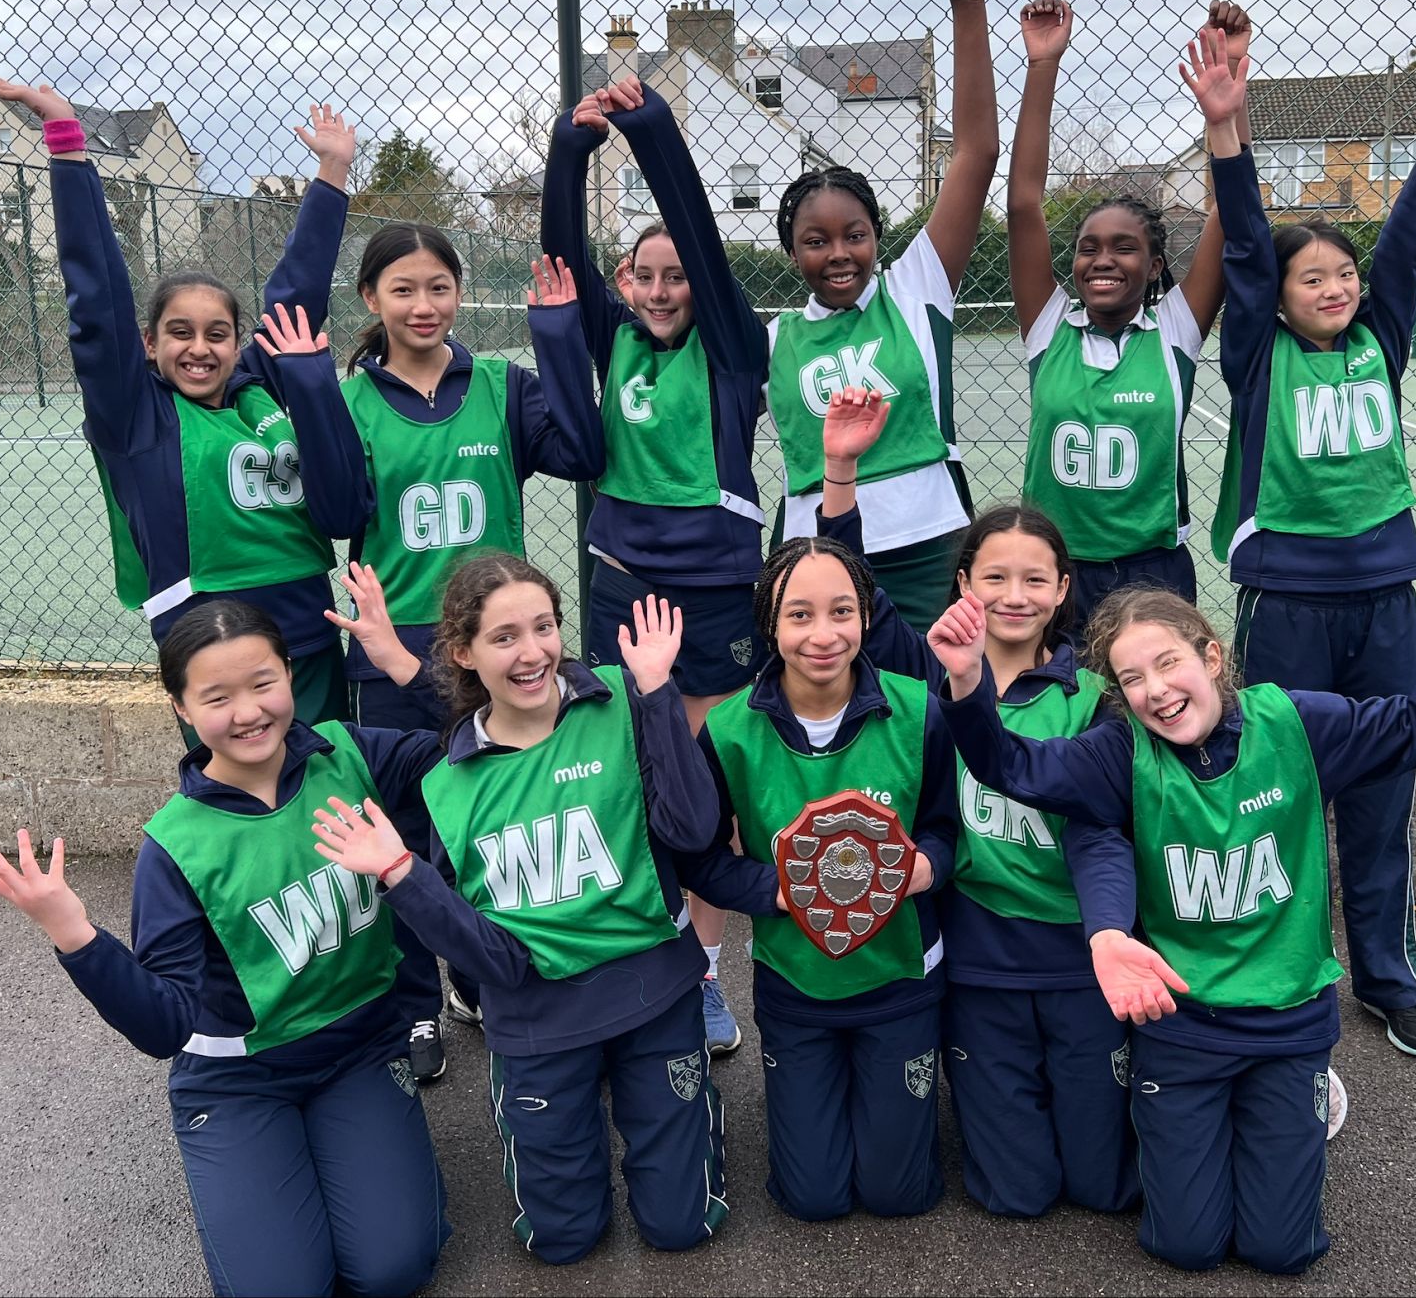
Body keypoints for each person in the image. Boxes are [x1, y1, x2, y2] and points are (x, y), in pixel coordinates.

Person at [928, 579, 1416, 1272]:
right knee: (1186, 1244)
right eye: (1132, 678)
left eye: (1169, 662)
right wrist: (965, 683)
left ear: (1212, 657)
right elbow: (1010, 765)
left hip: (1286, 1022)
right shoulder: (1121, 752)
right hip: (1186, 1028)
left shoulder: (1292, 723)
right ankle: (1223, 1125)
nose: (1157, 690)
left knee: (1281, 1249)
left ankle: (1302, 1100)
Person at [0, 600, 515, 1298]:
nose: (248, 711)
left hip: (361, 1051)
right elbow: (165, 1026)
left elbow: (480, 734)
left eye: (263, 682)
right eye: (216, 696)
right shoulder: (176, 845)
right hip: (239, 1084)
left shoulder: (352, 755)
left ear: (290, 673)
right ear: (181, 708)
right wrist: (74, 933)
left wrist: (402, 665)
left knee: (393, 1269)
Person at [1185, 11, 1416, 1057]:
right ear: (1279, 302)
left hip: (1382, 599)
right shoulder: (1256, 352)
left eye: (1342, 273)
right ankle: (1282, 966)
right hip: (1285, 604)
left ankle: (1384, 978)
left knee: (1381, 798)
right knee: (1279, 788)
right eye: (1312, 278)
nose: (1334, 286)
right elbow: (1244, 240)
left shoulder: (1380, 339)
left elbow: (1413, 229)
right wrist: (1226, 131)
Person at [313, 554, 728, 1267]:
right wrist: (401, 874)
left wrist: (661, 693)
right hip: (537, 1017)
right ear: (464, 653)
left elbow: (694, 832)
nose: (533, 649)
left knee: (681, 1225)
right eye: (505, 636)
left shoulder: (622, 703)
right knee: (562, 1239)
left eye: (545, 627)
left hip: (651, 990)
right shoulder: (447, 778)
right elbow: (485, 955)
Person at [259, 238, 603, 1047]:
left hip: (499, 643)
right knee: (407, 829)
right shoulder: (351, 398)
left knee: (503, 815)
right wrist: (311, 389)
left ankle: (489, 975)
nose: (425, 304)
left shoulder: (498, 386)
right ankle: (417, 1001)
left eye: (440, 286)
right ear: (370, 297)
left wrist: (557, 333)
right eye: (403, 288)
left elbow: (585, 452)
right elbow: (340, 515)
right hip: (394, 644)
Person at [809, 386, 1133, 1215]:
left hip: (1075, 958)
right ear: (964, 583)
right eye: (995, 576)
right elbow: (855, 593)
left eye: (1035, 578)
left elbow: (1104, 833)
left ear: (1064, 590)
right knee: (1015, 1195)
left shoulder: (1095, 697)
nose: (1015, 594)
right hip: (981, 957)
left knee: (1104, 1188)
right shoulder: (927, 671)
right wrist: (840, 469)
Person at [0, 72, 363, 735]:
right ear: (149, 343)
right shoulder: (136, 416)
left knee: (326, 786)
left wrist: (331, 172)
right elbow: (93, 300)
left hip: (308, 631)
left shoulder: (258, 389)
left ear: (239, 343)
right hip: (210, 642)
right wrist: (67, 143)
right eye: (179, 333)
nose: (200, 349)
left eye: (218, 334)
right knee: (234, 798)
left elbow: (297, 294)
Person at [540, 75, 770, 1055]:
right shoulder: (614, 343)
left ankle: (707, 978)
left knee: (706, 795)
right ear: (625, 284)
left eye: (677, 274)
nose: (666, 287)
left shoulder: (730, 350)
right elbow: (557, 256)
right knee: (636, 785)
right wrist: (571, 148)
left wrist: (652, 131)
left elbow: (703, 249)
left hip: (716, 591)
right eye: (647, 275)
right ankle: (653, 965)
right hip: (623, 584)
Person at [675, 532, 958, 1223]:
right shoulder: (729, 729)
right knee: (814, 1198)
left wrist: (923, 868)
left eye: (841, 611)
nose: (823, 633)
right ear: (769, 622)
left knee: (898, 1195)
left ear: (866, 615)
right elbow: (701, 857)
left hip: (899, 978)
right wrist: (772, 891)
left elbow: (948, 830)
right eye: (799, 614)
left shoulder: (921, 709)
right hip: (796, 982)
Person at [762, 0, 999, 633]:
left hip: (929, 544)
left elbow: (978, 151)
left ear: (877, 237)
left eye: (854, 234)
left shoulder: (913, 287)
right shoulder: (774, 340)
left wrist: (968, 6)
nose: (838, 253)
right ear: (791, 251)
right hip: (818, 550)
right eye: (816, 240)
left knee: (936, 707)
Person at [1007, 0, 1249, 616]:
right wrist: (1042, 65)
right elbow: (1024, 204)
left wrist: (1232, 85)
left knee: (1155, 710)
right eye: (1089, 248)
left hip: (1151, 572)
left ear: (1156, 265)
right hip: (1050, 572)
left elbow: (1232, 211)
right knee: (1051, 710)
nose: (1103, 260)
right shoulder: (1050, 328)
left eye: (1124, 248)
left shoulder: (1173, 331)